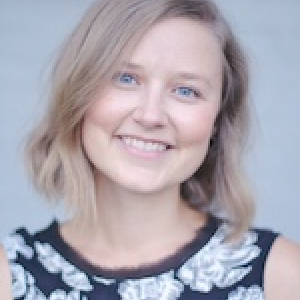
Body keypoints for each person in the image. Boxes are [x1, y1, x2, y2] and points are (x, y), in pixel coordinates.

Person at [1, 0, 299, 299]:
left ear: (218, 120)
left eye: (186, 90)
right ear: (77, 95)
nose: (150, 116)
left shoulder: (282, 277)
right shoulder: (8, 278)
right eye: (125, 78)